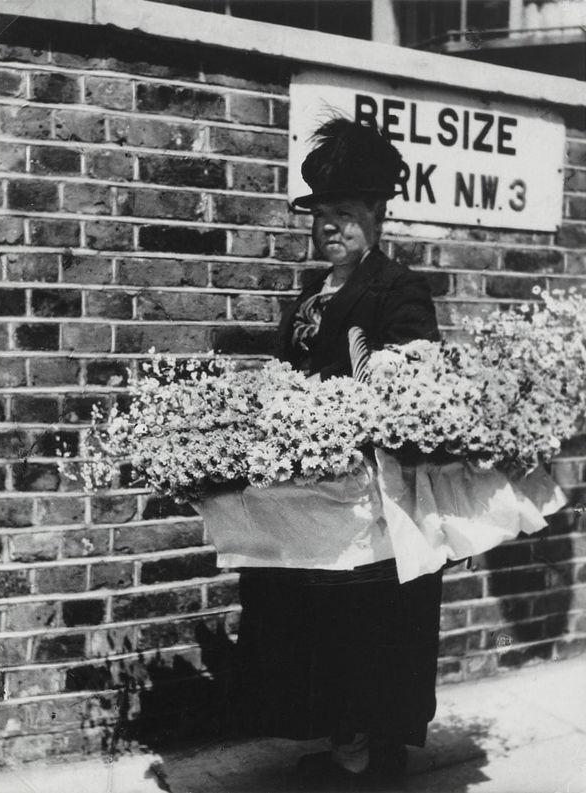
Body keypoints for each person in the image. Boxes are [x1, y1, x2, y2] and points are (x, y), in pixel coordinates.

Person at [234, 118, 443, 789]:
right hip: (311, 493)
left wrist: (344, 415)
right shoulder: (310, 292)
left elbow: (412, 385)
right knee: (315, 623)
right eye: (321, 214)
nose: (330, 226)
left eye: (346, 213)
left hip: (367, 496)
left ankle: (365, 755)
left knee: (364, 625)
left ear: (377, 215)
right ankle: (350, 745)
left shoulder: (398, 290)